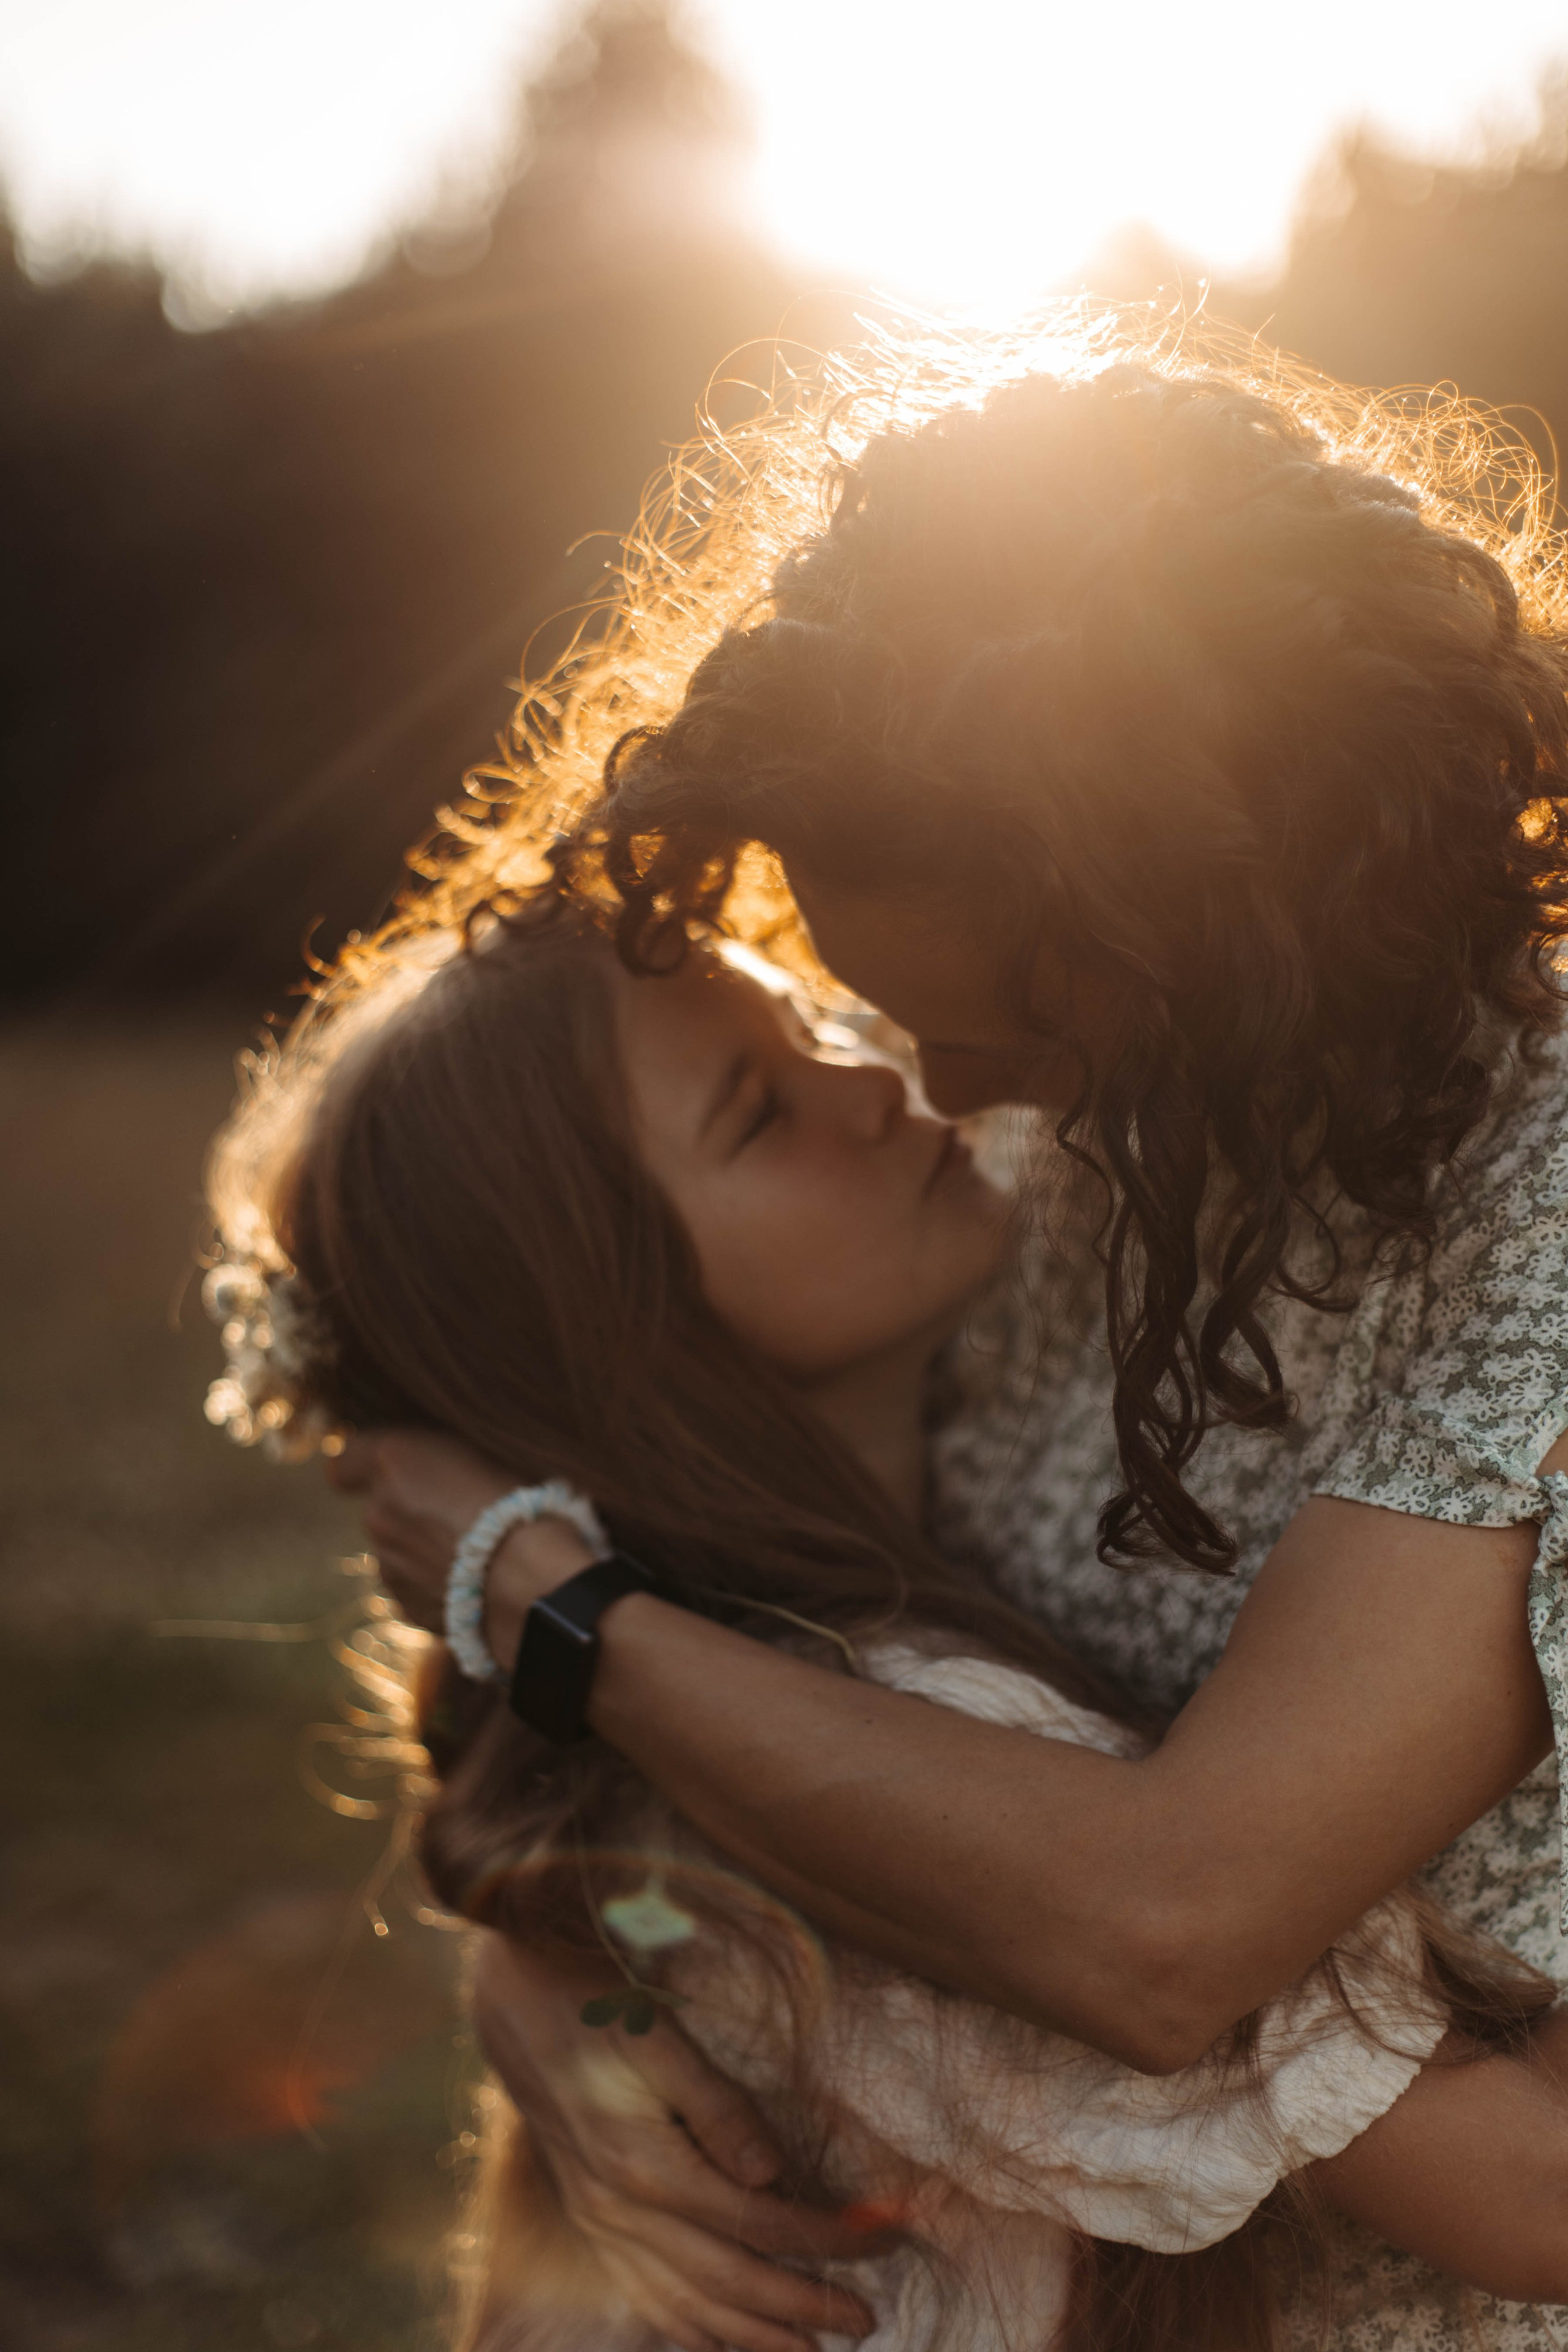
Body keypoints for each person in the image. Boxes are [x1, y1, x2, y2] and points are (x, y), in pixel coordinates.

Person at [328, 315, 1568, 2349]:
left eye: (995, 1025)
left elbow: (1160, 1930)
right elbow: (728, 1770)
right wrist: (581, 1979)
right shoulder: (1095, 1153)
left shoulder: (1530, 1212)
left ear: (1211, 939)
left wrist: (558, 1603)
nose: (944, 1096)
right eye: (858, 1014)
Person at [206, 897, 1568, 2352]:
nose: (871, 1079)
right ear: (624, 1336)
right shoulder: (923, 1778)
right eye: (757, 1113)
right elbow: (1537, 2195)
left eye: (805, 1025)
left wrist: (569, 1961)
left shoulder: (687, 1742)